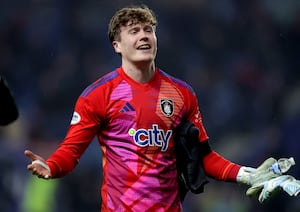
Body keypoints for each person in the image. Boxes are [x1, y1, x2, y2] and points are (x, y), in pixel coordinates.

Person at [24, 5, 300, 212]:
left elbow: (204, 157)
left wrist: (245, 174)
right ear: (117, 45)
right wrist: (52, 167)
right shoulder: (98, 95)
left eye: (148, 30)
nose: (144, 36)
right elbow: (72, 151)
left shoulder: (182, 94)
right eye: (134, 31)